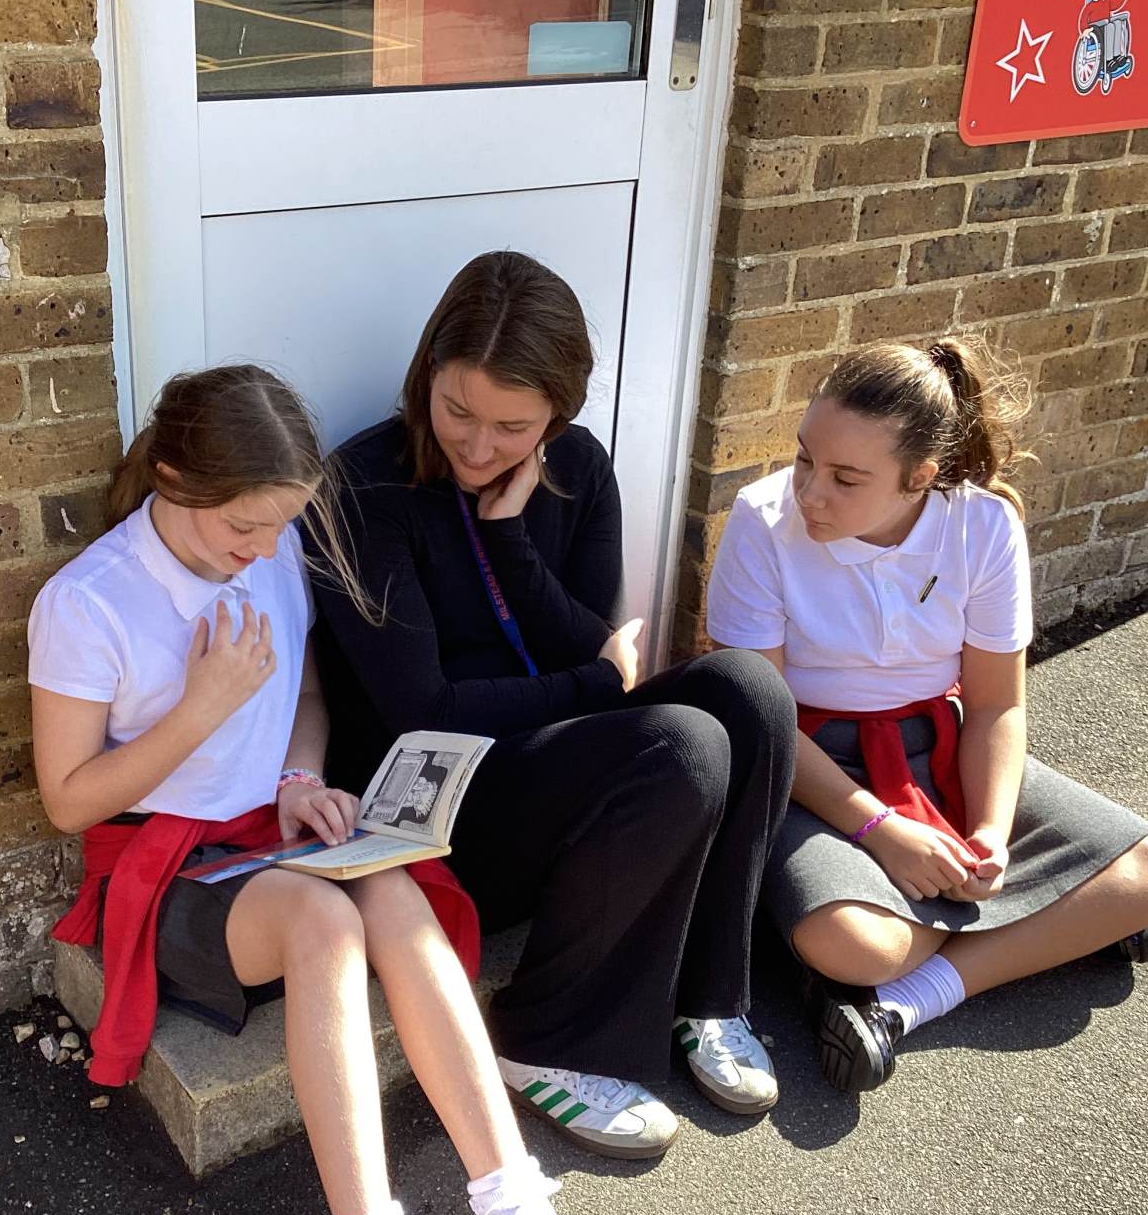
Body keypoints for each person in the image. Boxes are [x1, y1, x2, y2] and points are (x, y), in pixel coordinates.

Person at [28, 365, 658, 1215]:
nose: (265, 551)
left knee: (394, 888)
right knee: (327, 918)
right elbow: (68, 801)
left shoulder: (269, 554)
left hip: (269, 839)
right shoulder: (88, 600)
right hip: (170, 870)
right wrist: (199, 710)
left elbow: (308, 691)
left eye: (281, 527)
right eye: (244, 527)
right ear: (174, 476)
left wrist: (299, 778)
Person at [315, 251, 799, 1160]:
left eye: (512, 425)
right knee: (680, 744)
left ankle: (708, 996)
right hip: (425, 799)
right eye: (456, 409)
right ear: (427, 373)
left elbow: (582, 638)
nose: (477, 444)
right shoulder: (362, 489)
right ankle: (547, 1040)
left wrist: (509, 541)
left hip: (545, 764)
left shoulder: (575, 469)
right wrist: (599, 689)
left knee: (749, 692)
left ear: (557, 416)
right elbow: (424, 707)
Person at [703, 338, 1148, 1093]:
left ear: (920, 478)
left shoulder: (983, 526)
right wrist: (880, 832)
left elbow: (994, 704)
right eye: (805, 460)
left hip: (940, 748)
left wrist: (990, 835)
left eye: (845, 478)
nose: (809, 493)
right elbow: (765, 719)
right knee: (854, 945)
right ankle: (1043, 926)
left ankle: (904, 1004)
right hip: (807, 766)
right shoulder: (762, 523)